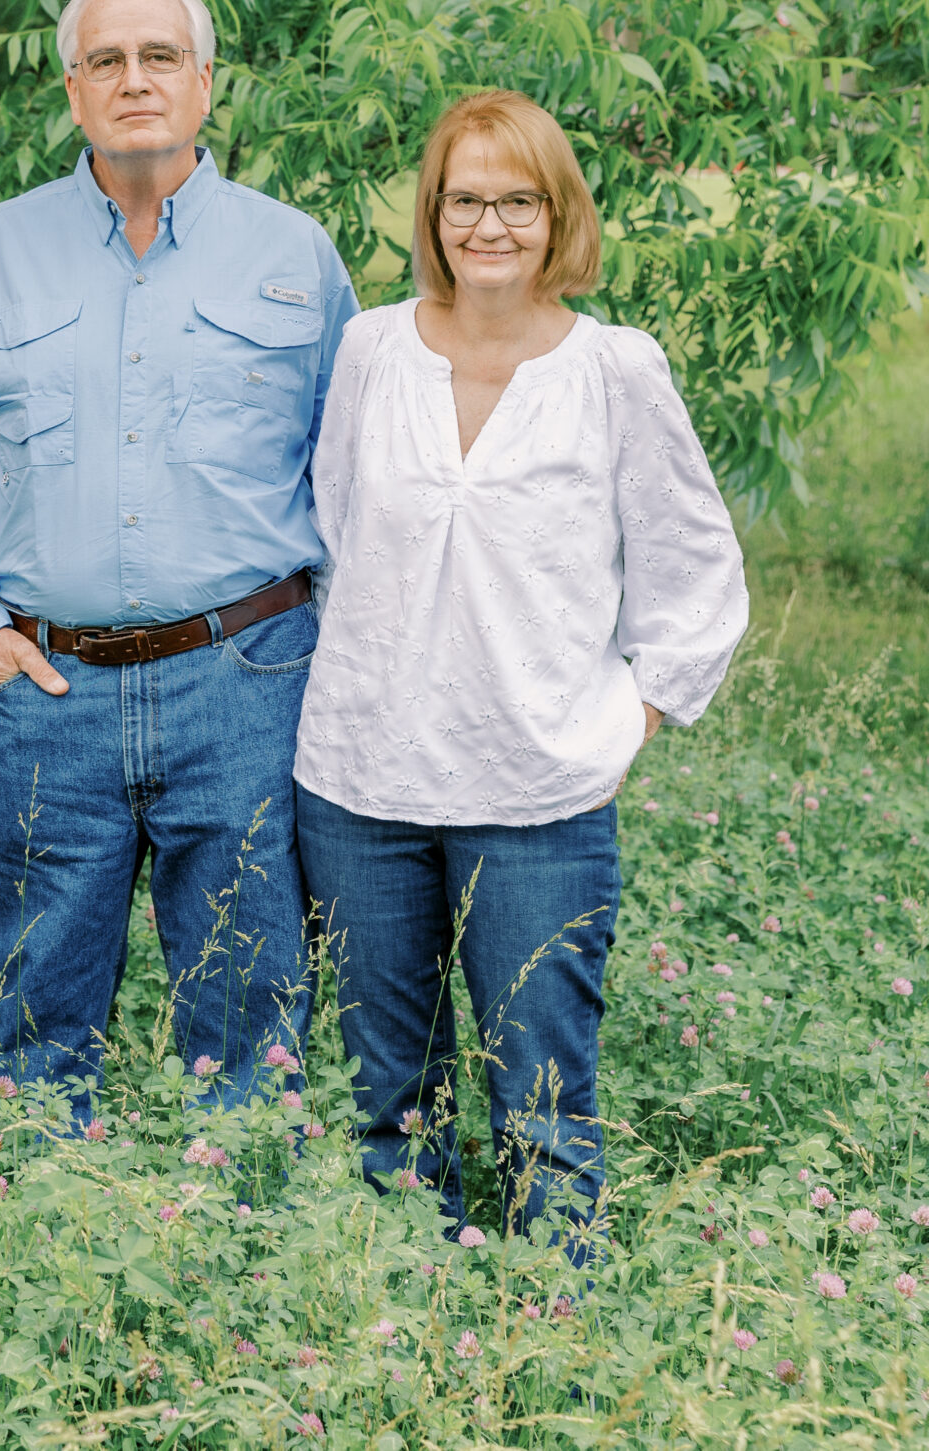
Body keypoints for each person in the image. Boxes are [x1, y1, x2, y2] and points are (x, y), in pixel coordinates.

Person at [0, 0, 359, 1120]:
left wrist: (343, 652)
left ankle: (246, 1257)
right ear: (71, 88)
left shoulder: (292, 255)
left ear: (205, 83)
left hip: (246, 681)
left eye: (160, 58)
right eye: (107, 60)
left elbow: (352, 475)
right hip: (48, 687)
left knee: (253, 1015)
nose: (134, 79)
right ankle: (36, 1255)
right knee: (31, 1015)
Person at [293, 89, 747, 1255]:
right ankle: (410, 1291)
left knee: (542, 1090)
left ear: (557, 217)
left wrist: (628, 717)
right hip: (360, 777)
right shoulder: (370, 351)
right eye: (464, 200)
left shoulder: (614, 371)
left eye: (517, 201)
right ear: (432, 215)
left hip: (539, 789)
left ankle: (557, 1322)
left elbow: (692, 564)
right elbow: (331, 531)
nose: (488, 225)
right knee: (388, 1087)